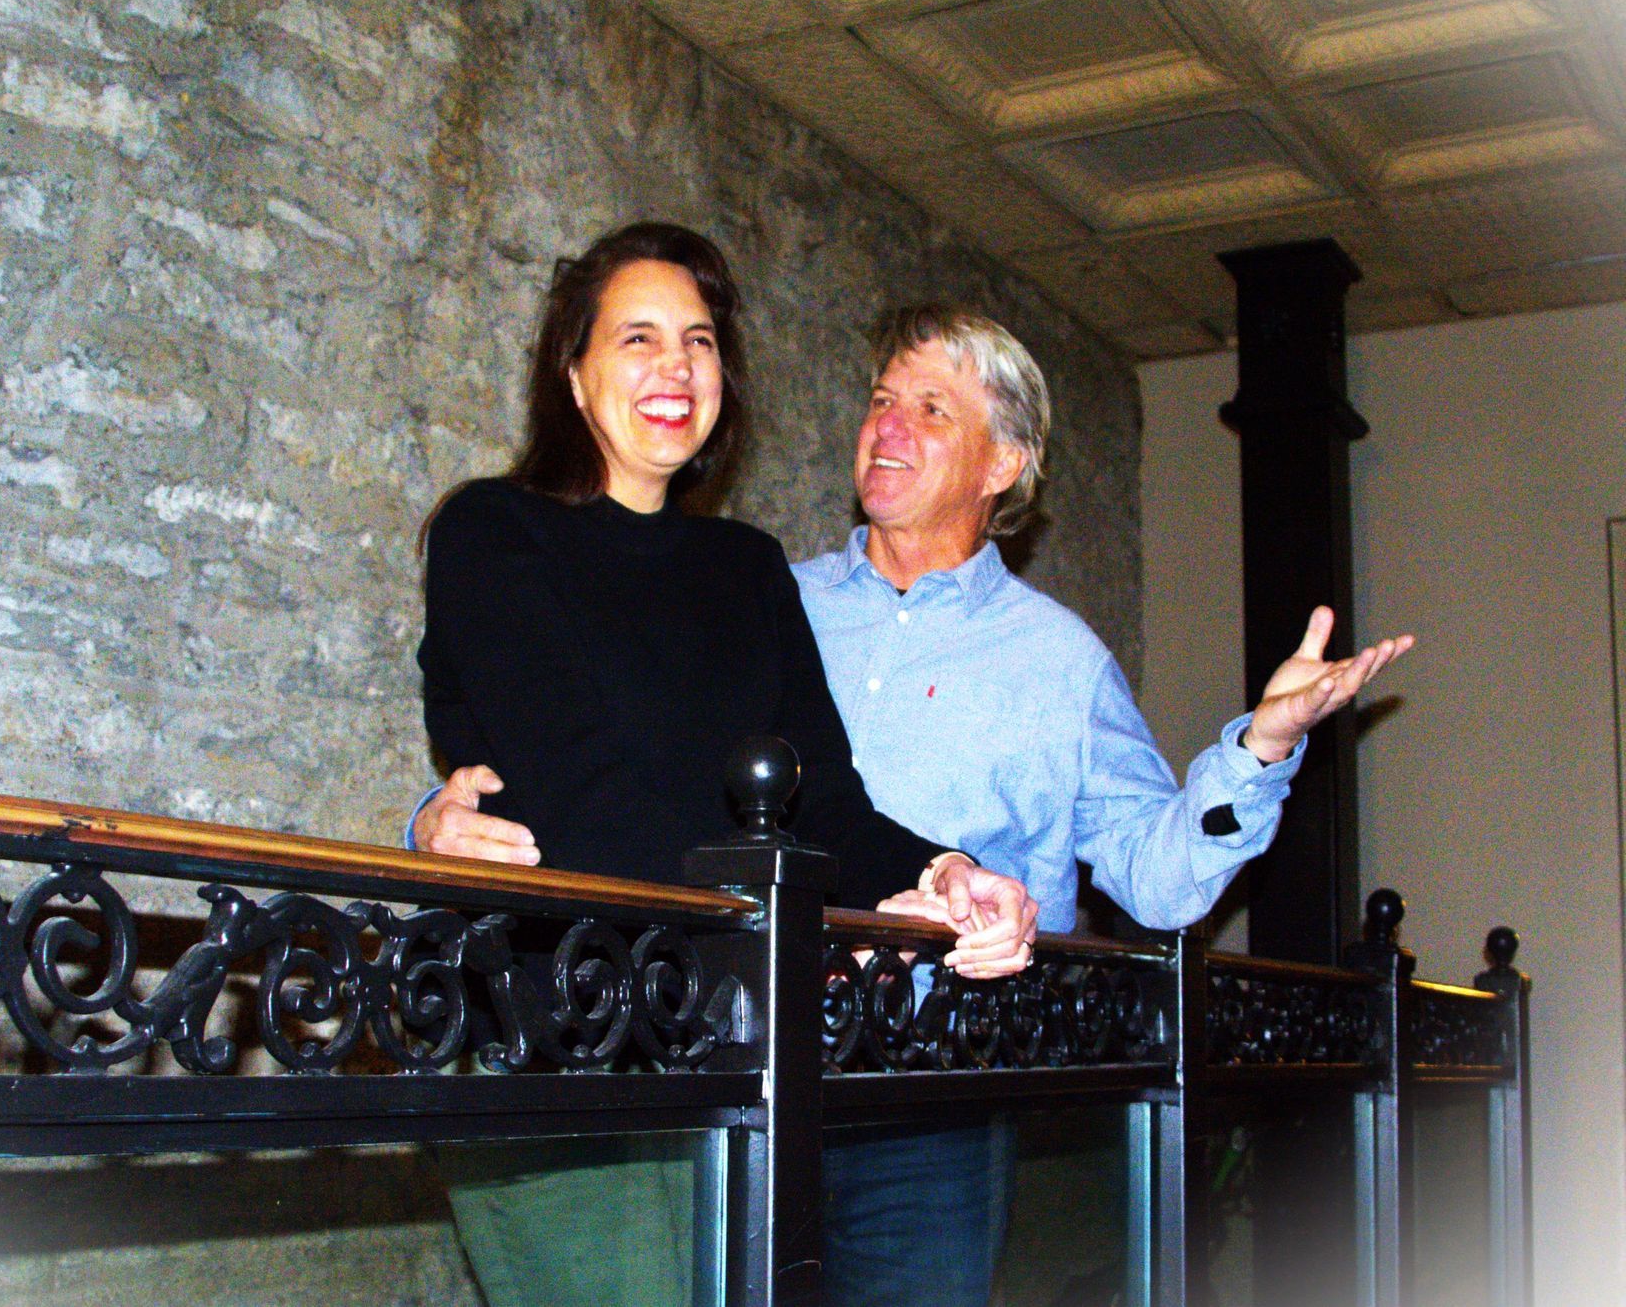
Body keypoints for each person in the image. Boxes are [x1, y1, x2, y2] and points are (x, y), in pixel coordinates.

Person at [417, 302, 1414, 1305]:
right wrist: (441, 817)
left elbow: (1159, 883)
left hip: (930, 1098)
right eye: (882, 400)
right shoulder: (746, 588)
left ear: (1003, 463)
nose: (886, 425)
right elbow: (593, 757)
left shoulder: (1061, 663)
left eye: (931, 409)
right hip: (729, 1064)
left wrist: (1262, 747)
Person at [417, 229, 1036, 1307]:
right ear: (573, 373)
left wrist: (945, 872)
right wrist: (788, 941)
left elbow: (823, 798)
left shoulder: (746, 565)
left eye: (699, 341)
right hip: (559, 1032)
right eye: (639, 337)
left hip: (735, 1049)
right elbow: (580, 796)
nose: (678, 367)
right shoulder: (491, 531)